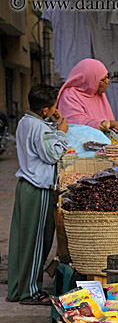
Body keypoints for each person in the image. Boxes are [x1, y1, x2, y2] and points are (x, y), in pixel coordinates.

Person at [7, 84, 69, 305]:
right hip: (37, 189)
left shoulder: (26, 122)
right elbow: (52, 154)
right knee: (36, 242)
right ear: (45, 109)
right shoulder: (40, 128)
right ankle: (30, 292)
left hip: (25, 186)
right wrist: (62, 133)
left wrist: (52, 122)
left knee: (22, 240)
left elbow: (38, 143)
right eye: (53, 106)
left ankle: (16, 288)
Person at [58, 58, 118, 135]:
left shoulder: (97, 93)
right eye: (103, 79)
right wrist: (107, 123)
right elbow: (76, 124)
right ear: (90, 81)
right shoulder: (69, 96)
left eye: (107, 77)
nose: (107, 81)